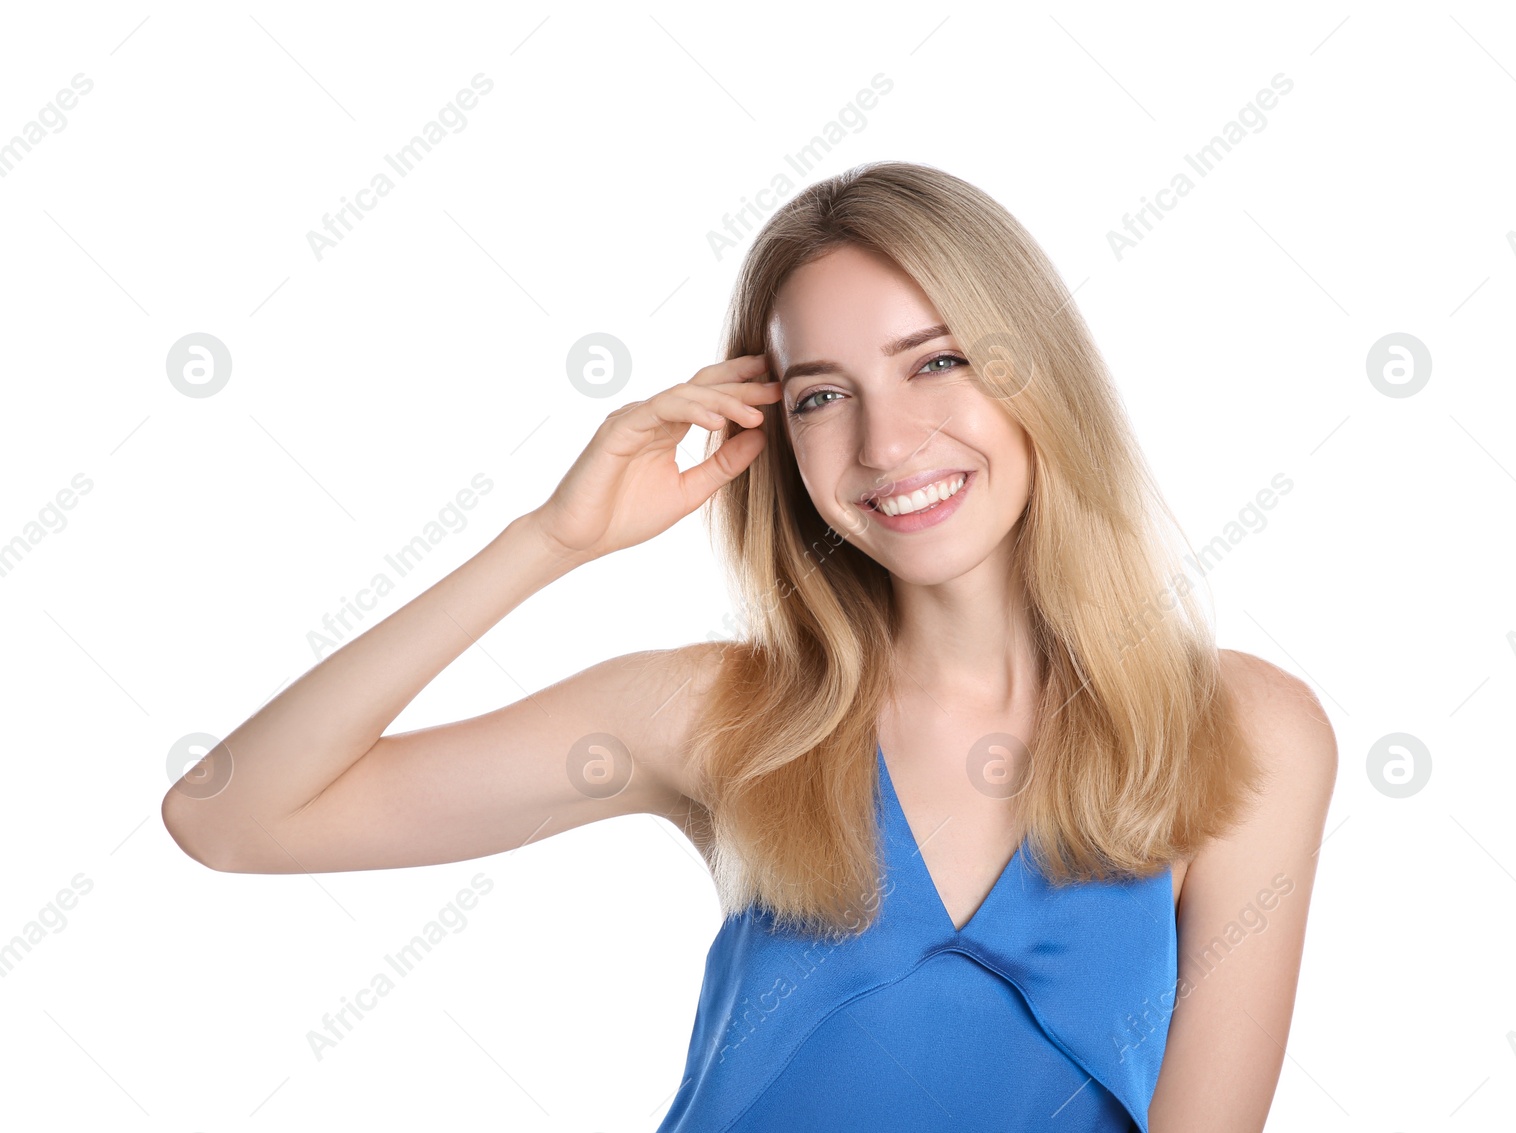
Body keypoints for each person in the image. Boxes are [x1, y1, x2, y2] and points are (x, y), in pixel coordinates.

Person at [162, 160, 1336, 1133]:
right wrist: (552, 539)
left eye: (936, 361)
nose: (886, 439)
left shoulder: (1246, 734)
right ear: (777, 434)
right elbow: (232, 814)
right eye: (822, 395)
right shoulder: (715, 712)